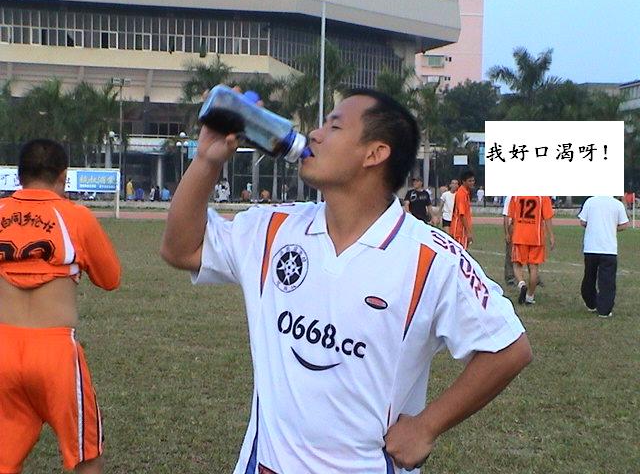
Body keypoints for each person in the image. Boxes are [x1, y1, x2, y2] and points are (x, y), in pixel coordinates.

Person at [161, 89, 532, 473]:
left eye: (334, 126)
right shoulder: (273, 229)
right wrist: (206, 161)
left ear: (375, 153)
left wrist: (427, 425)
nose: (315, 134)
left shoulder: (432, 259)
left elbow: (509, 348)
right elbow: (180, 250)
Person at [0, 139, 121, 474]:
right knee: (85, 454)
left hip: (3, 348)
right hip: (55, 352)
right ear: (63, 177)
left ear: (19, 177)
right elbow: (110, 278)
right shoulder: (75, 216)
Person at [578, 196, 629, 318]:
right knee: (607, 281)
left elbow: (583, 221)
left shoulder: (590, 201)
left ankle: (591, 302)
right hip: (608, 249)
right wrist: (612, 227)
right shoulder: (617, 204)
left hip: (591, 247)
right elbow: (624, 224)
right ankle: (604, 310)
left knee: (589, 277)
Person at [507, 196, 554, 305]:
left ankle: (521, 284)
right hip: (536, 238)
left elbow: (511, 219)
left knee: (517, 264)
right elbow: (547, 217)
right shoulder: (543, 196)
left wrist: (510, 233)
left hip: (520, 236)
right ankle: (530, 296)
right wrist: (551, 235)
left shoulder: (516, 196)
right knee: (534, 268)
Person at [450, 170, 475, 248]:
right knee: (460, 252)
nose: (472, 183)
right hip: (459, 230)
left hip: (462, 230)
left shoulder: (466, 192)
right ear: (463, 182)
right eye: (469, 181)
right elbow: (462, 214)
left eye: (473, 180)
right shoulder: (461, 194)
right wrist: (468, 232)